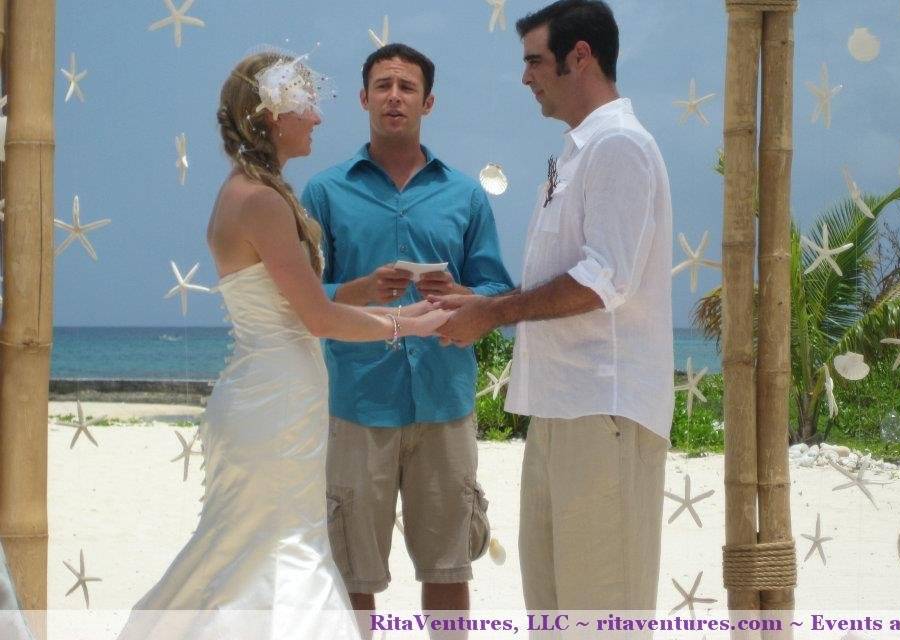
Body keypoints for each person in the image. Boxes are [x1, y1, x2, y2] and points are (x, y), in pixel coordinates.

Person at [119, 52, 450, 640]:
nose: (318, 118)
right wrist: (411, 324)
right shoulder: (263, 201)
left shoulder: (245, 192)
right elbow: (317, 319)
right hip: (275, 403)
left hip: (269, 394)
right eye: (306, 104)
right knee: (280, 548)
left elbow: (292, 302)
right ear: (272, 116)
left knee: (247, 546)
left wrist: (369, 297)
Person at [435, 0, 674, 611]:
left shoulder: (618, 144)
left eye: (535, 61)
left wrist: (491, 314)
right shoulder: (578, 151)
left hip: (604, 413)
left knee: (601, 612)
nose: (525, 77)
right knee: (552, 610)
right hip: (560, 411)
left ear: (581, 56)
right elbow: (558, 278)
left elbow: (603, 280)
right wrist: (481, 299)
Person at [301, 43, 514, 632]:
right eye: (384, 85)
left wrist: (462, 294)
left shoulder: (466, 195)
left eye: (408, 87)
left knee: (449, 568)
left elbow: (497, 289)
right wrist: (361, 288)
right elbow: (301, 297)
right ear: (365, 98)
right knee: (351, 571)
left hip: (444, 401)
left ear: (429, 101)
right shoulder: (323, 192)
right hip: (357, 402)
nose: (395, 96)